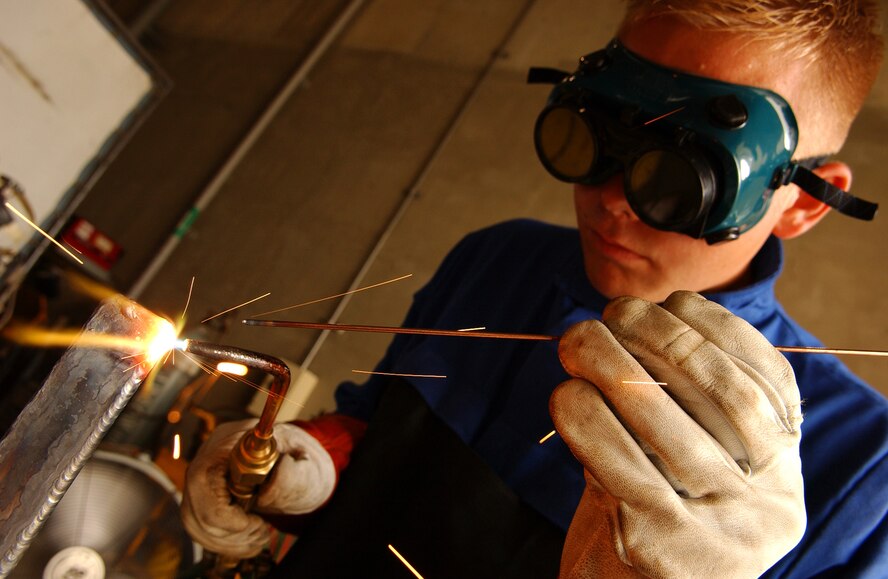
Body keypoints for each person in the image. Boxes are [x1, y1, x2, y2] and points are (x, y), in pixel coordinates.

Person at [181, 1, 888, 577]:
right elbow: (374, 425)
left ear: (804, 202)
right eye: (592, 138)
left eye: (677, 179)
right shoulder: (499, 258)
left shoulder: (864, 467)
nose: (609, 200)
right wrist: (297, 461)